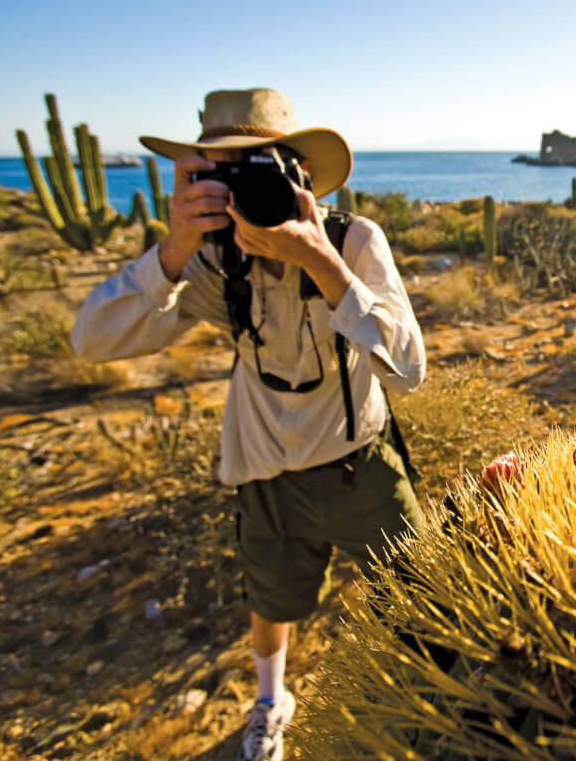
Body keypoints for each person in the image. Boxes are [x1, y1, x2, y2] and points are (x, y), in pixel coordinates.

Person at [71, 89, 426, 761]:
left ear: (300, 175)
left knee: (416, 584)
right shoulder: (209, 260)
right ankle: (271, 700)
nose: (246, 191)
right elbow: (91, 341)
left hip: (357, 456)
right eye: (225, 173)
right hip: (265, 462)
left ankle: (429, 690)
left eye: (260, 169)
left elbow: (408, 369)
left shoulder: (354, 240)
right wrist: (175, 246)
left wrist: (322, 263)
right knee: (270, 597)